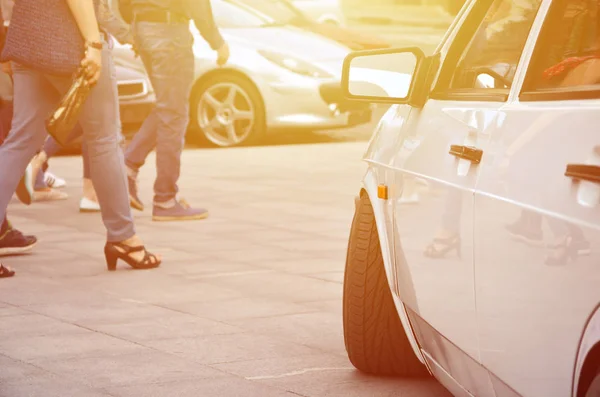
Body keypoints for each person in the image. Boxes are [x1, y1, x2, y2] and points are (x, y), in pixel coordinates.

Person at [0, 0, 161, 271]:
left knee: (20, 140)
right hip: (72, 42)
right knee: (104, 140)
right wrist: (93, 44)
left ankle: (123, 236)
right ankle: (124, 238)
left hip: (29, 41)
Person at [119, 0, 230, 221]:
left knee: (168, 107)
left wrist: (135, 26)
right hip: (169, 33)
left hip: (144, 29)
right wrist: (216, 41)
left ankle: (128, 168)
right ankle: (165, 200)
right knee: (174, 114)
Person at [25, 0, 135, 211]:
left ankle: (43, 162)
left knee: (78, 118)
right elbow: (102, 12)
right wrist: (108, 41)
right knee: (102, 133)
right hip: (82, 43)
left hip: (45, 42)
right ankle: (96, 201)